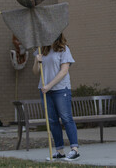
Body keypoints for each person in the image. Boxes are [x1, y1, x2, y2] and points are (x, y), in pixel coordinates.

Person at [32, 33, 80, 161]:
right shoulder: (41, 50)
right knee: (52, 121)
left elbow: (64, 71)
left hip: (60, 89)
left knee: (66, 118)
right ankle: (59, 151)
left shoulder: (63, 49)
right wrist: (37, 60)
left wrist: (49, 85)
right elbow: (36, 72)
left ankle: (74, 149)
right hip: (45, 90)